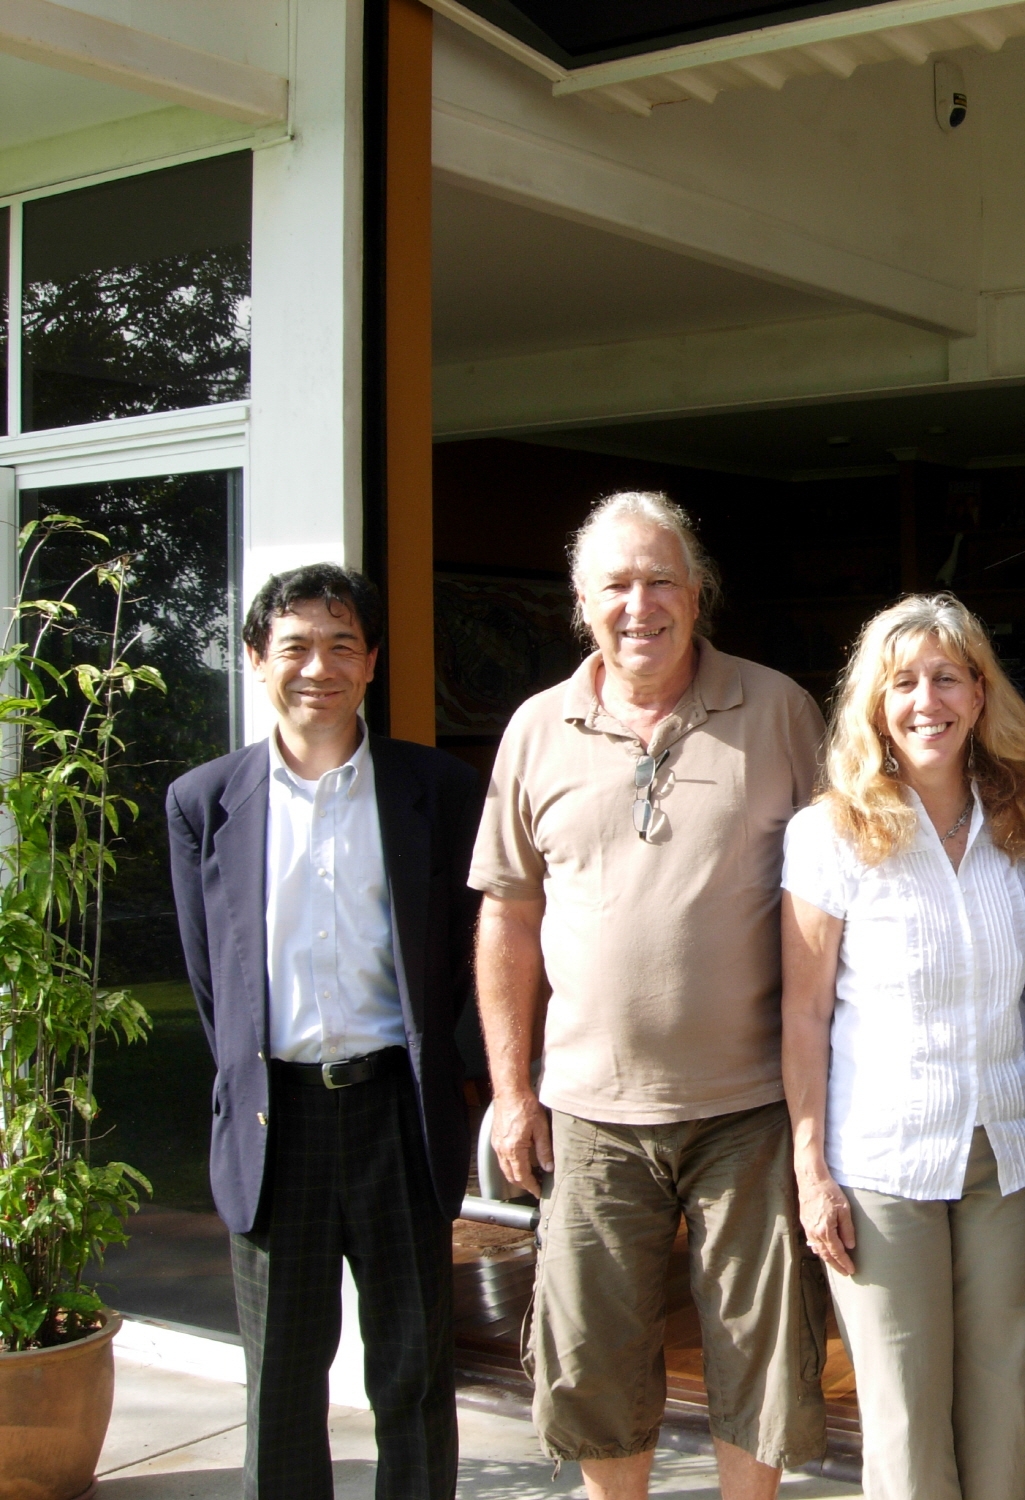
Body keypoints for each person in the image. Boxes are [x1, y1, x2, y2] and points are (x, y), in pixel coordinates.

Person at [472, 491, 827, 1500]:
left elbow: (836, 895)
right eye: (616, 585)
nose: (641, 605)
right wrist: (511, 1090)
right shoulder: (538, 728)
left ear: (697, 592)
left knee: (761, 1355)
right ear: (582, 604)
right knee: (590, 1357)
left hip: (749, 1104)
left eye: (660, 579)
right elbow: (506, 916)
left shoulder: (777, 710)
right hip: (589, 1112)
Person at [166, 565, 483, 1500]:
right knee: (281, 1382)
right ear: (258, 660)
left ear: (373, 661)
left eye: (343, 644)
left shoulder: (439, 788)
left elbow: (465, 954)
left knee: (414, 1375)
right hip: (278, 1128)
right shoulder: (204, 802)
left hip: (395, 1111)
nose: (320, 666)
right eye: (296, 645)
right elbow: (210, 978)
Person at [780, 594, 1025, 1500]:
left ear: (981, 695)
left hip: (1011, 1152)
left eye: (947, 677)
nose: (925, 700)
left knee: (1004, 1407)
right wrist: (810, 1169)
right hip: (883, 1164)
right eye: (902, 682)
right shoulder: (828, 832)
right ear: (874, 703)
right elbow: (803, 1012)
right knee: (904, 1420)